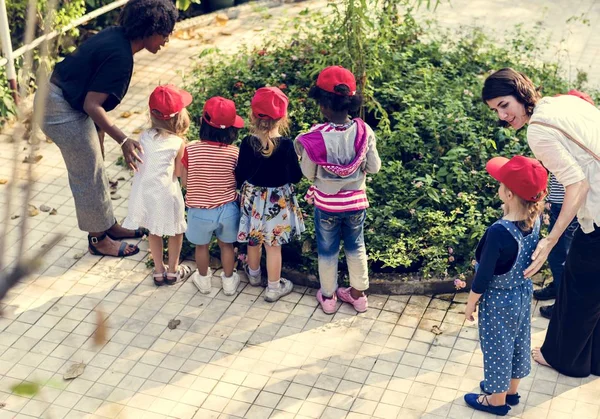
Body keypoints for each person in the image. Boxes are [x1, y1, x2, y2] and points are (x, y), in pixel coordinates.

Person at [482, 68, 600, 378]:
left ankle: (564, 360)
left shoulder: (538, 130)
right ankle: (596, 360)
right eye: (495, 110)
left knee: (579, 286)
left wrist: (550, 240)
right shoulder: (564, 103)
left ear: (521, 93)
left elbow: (577, 185)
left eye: (504, 105)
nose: (502, 115)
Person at [37, 0, 178, 257]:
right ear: (149, 29)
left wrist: (100, 139)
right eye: (164, 33)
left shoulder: (116, 37)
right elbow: (93, 105)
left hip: (64, 98)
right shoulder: (120, 57)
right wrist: (124, 141)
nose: (166, 40)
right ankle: (99, 240)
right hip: (57, 109)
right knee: (87, 172)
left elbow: (91, 93)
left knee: (95, 164)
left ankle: (107, 225)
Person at [463, 155, 546, 416]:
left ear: (509, 194)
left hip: (498, 300)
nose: (497, 185)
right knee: (519, 341)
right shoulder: (535, 219)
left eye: (499, 183)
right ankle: (510, 391)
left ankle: (496, 402)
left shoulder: (499, 232)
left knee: (497, 347)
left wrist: (470, 302)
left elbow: (484, 275)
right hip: (522, 294)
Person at [295, 66, 381, 314]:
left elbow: (307, 173)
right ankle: (358, 296)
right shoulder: (364, 131)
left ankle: (329, 298)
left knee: (327, 249)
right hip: (355, 204)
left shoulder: (314, 137)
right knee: (356, 247)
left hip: (327, 206)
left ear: (322, 104)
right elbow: (374, 167)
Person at [235, 87, 305, 302]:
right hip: (278, 202)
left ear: (253, 115)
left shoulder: (248, 143)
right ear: (282, 117)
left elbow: (240, 173)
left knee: (253, 239)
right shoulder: (286, 146)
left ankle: (254, 276)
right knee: (273, 247)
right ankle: (274, 288)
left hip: (253, 200)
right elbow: (295, 177)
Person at [122, 85, 191, 286]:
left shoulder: (144, 136)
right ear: (179, 116)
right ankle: (173, 270)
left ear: (151, 113)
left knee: (154, 230)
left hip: (146, 194)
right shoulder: (178, 143)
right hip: (167, 194)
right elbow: (177, 174)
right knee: (176, 231)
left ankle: (159, 271)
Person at [183, 97, 244, 296]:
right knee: (227, 245)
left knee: (201, 246)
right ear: (231, 130)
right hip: (227, 209)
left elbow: (184, 182)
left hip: (198, 211)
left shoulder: (190, 150)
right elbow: (237, 182)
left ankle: (204, 281)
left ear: (202, 122)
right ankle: (228, 281)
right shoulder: (234, 153)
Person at [533, 174, 579, 319]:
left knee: (559, 257)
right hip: (565, 202)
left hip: (568, 205)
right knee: (559, 254)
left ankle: (563, 304)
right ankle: (558, 288)